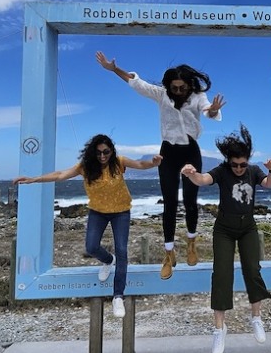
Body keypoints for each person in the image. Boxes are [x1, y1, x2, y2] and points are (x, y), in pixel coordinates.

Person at [96, 50, 225, 280]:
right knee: (170, 204)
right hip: (168, 152)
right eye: (174, 88)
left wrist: (213, 109)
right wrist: (114, 69)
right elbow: (138, 84)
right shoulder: (162, 95)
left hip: (190, 152)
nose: (177, 92)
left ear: (188, 85)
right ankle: (168, 254)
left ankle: (192, 243)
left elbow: (208, 110)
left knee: (190, 201)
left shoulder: (197, 97)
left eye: (181, 88)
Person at [12, 134, 162, 318]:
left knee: (122, 250)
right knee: (91, 247)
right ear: (93, 152)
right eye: (98, 153)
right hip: (97, 211)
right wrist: (34, 179)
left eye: (106, 152)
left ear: (111, 151)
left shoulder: (119, 162)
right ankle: (108, 261)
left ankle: (117, 296)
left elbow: (140, 165)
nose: (102, 156)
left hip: (121, 212)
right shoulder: (85, 167)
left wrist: (153, 163)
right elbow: (60, 175)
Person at [181, 124, 271, 353]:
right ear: (228, 161)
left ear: (248, 161)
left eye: (242, 164)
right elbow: (204, 180)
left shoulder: (254, 171)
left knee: (252, 269)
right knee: (222, 274)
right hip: (224, 228)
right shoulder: (222, 171)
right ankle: (219, 329)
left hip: (248, 228)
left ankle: (256, 318)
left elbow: (268, 185)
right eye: (234, 164)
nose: (238, 168)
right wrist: (192, 174)